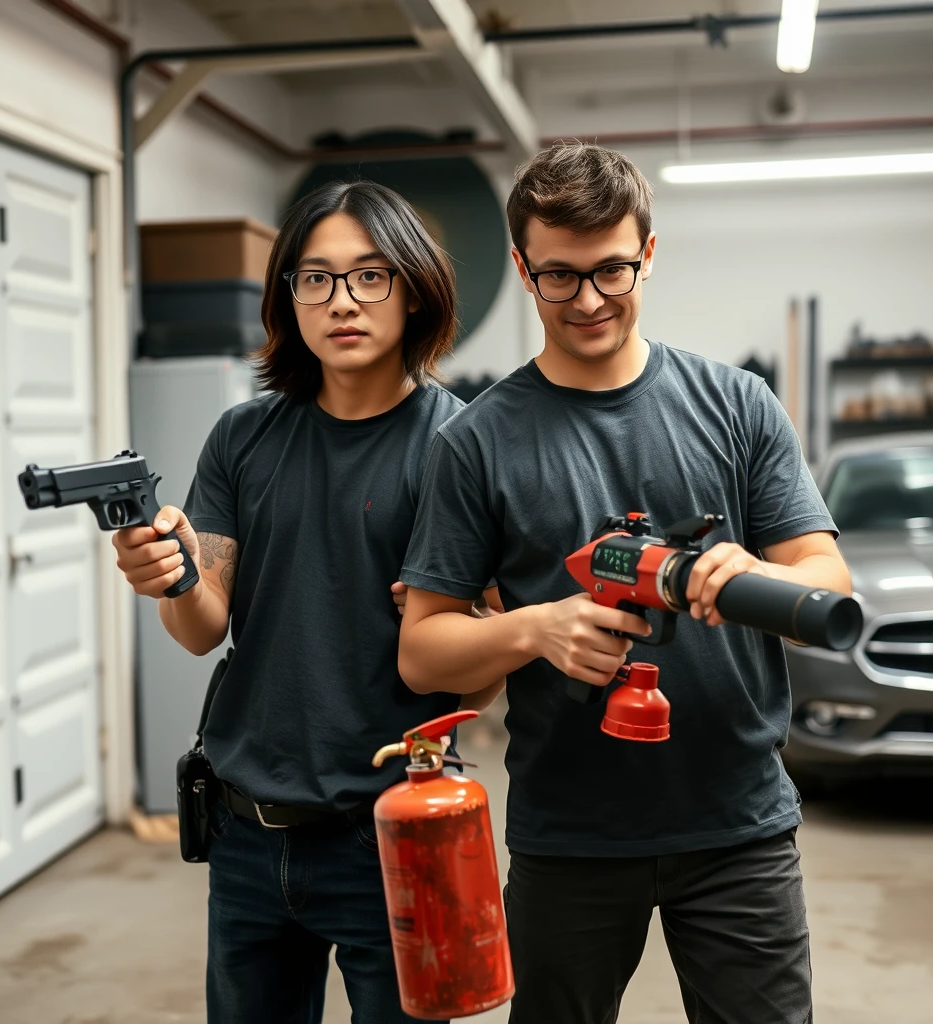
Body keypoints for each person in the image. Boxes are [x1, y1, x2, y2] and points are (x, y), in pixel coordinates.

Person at [397, 142, 851, 1024]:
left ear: (648, 252)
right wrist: (536, 629)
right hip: (570, 837)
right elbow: (423, 653)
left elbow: (823, 578)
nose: (590, 299)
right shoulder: (475, 443)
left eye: (611, 269)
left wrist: (754, 569)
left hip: (739, 828)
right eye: (559, 277)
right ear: (523, 269)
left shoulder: (738, 405)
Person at [111, 180, 502, 1024]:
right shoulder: (243, 437)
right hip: (248, 833)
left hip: (395, 833)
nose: (341, 302)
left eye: (369, 276)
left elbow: (481, 687)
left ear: (413, 287)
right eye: (314, 279)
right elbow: (199, 628)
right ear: (287, 298)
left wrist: (480, 630)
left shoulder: (461, 446)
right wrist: (171, 575)